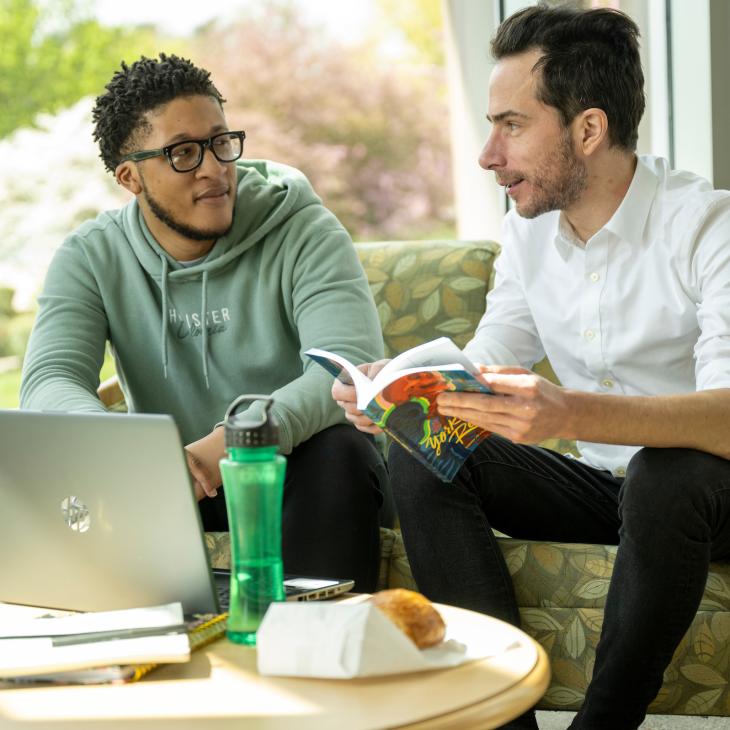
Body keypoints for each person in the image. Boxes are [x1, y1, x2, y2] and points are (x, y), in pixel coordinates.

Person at [333, 5, 730, 728]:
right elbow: (492, 354)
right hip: (605, 490)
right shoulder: (529, 232)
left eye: (511, 126)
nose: (489, 155)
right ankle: (498, 715)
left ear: (588, 129)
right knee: (426, 449)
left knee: (667, 474)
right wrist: (400, 388)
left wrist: (572, 412)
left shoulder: (708, 227)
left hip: (707, 497)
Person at [21, 53, 387, 592]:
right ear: (130, 177)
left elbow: (344, 370)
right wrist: (132, 451)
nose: (215, 168)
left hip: (294, 474)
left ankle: (317, 656)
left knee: (339, 452)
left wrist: (227, 446)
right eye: (184, 153)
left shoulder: (303, 227)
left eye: (220, 143)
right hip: (168, 485)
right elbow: (49, 381)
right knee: (56, 471)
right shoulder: (91, 256)